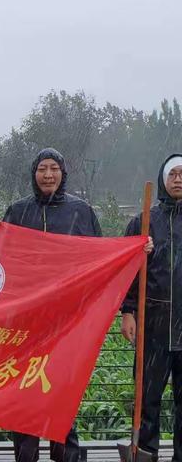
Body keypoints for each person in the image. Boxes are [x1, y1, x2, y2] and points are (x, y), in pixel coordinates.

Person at [3, 147, 100, 462]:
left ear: (63, 173)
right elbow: (2, 258)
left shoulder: (81, 211)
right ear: (34, 174)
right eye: (42, 169)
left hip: (68, 319)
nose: (48, 175)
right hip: (26, 320)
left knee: (64, 389)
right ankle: (25, 453)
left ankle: (65, 453)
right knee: (25, 389)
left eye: (54, 168)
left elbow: (101, 258)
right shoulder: (17, 211)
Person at [121, 153, 182, 462]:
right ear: (163, 179)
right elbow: (126, 271)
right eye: (173, 175)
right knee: (148, 398)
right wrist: (128, 312)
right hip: (153, 324)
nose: (178, 180)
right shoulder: (144, 220)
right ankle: (146, 454)